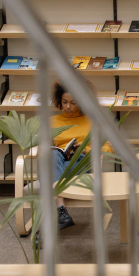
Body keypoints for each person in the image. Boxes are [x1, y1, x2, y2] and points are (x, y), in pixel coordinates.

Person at [50, 81, 114, 230]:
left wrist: (85, 150)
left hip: (81, 163)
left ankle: (54, 217)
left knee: (50, 171)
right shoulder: (52, 121)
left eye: (73, 103)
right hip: (57, 161)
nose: (67, 107)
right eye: (64, 102)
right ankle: (61, 211)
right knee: (52, 155)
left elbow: (109, 149)